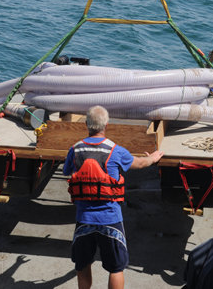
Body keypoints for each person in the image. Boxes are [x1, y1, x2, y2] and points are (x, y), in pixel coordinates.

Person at [63, 105, 164, 289]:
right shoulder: (116, 151)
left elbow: (66, 171)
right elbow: (140, 163)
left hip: (84, 219)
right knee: (116, 268)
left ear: (86, 124)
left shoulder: (75, 149)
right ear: (106, 125)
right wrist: (154, 158)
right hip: (110, 219)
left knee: (83, 264)